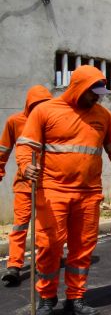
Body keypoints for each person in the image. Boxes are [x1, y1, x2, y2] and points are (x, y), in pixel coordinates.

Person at [17, 65, 111, 315]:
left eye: (100, 93)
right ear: (78, 87)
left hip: (88, 194)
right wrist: (26, 167)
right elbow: (26, 145)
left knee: (83, 248)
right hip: (52, 191)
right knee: (49, 246)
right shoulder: (45, 111)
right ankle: (47, 299)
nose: (98, 97)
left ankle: (76, 298)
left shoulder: (103, 116)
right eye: (94, 92)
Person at [0, 85, 53, 286]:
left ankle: (44, 262)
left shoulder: (52, 122)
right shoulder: (14, 121)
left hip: (48, 186)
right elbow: (3, 150)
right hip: (23, 185)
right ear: (29, 105)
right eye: (36, 105)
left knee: (45, 228)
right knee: (20, 225)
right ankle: (14, 265)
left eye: (44, 105)